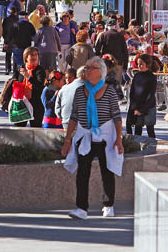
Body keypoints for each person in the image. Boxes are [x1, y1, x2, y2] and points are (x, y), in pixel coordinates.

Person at [62, 57, 124, 220]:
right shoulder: (79, 91)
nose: (87, 70)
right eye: (87, 67)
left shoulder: (109, 91)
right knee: (82, 172)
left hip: (105, 136)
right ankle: (81, 208)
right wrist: (68, 139)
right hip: (85, 135)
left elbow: (117, 117)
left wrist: (119, 139)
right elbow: (74, 116)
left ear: (101, 72)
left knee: (107, 170)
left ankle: (108, 205)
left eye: (91, 68)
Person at [14, 47, 46, 127]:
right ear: (26, 57)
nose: (34, 57)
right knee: (19, 128)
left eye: (36, 55)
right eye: (31, 55)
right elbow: (15, 80)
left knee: (36, 128)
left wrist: (28, 77)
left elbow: (39, 85)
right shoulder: (21, 69)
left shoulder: (40, 70)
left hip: (36, 104)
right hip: (21, 104)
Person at [127, 54, 157, 138]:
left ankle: (153, 148)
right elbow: (132, 92)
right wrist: (134, 106)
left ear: (147, 64)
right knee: (137, 130)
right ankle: (136, 148)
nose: (139, 66)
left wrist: (143, 109)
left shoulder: (152, 77)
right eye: (138, 64)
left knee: (150, 130)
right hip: (137, 106)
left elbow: (151, 95)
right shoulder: (137, 76)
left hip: (148, 106)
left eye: (141, 64)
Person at [94, 20, 128, 89]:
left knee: (106, 82)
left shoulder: (103, 35)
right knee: (117, 83)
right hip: (118, 62)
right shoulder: (120, 36)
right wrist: (125, 65)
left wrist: (100, 56)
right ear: (115, 26)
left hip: (106, 62)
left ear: (107, 27)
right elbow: (125, 51)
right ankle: (115, 97)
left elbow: (97, 49)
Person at [2, 6, 19, 75]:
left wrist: (5, 39)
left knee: (8, 55)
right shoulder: (18, 20)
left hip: (8, 40)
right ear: (16, 12)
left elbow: (3, 30)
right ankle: (15, 70)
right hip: (16, 41)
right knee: (15, 56)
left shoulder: (6, 19)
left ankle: (7, 69)